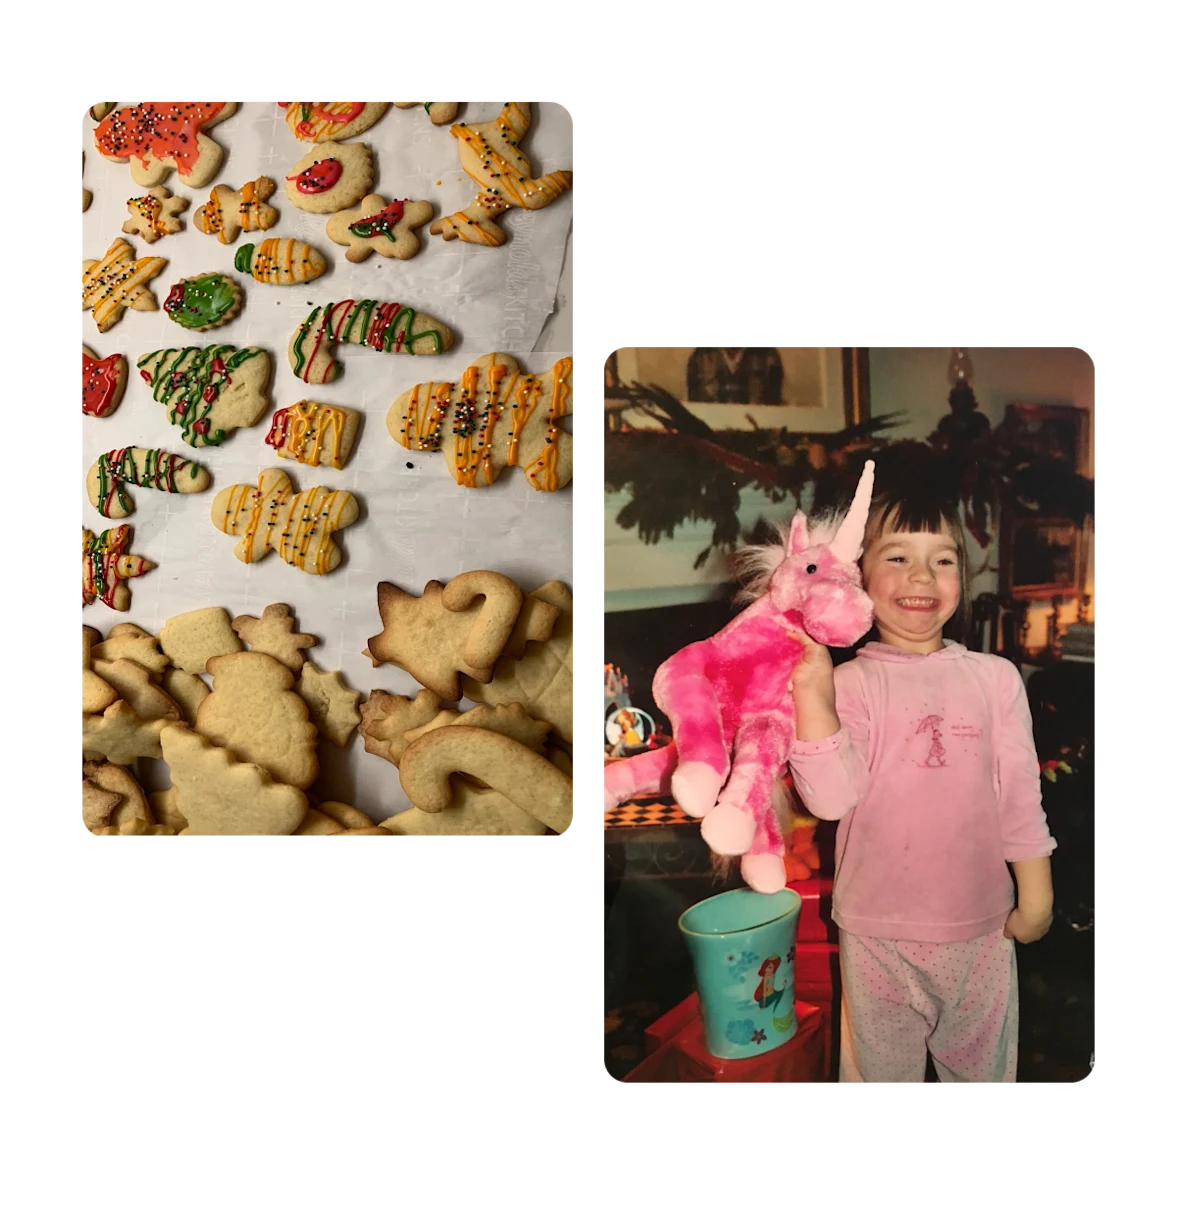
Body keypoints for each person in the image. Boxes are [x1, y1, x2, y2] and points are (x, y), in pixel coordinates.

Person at [785, 485, 1056, 1087]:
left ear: (963, 576)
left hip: (980, 931)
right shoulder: (848, 685)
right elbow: (829, 799)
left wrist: (1035, 898)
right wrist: (811, 691)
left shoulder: (996, 679)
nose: (923, 576)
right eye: (898, 556)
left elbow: (1019, 798)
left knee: (982, 1075)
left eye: (943, 559)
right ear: (858, 577)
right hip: (873, 932)